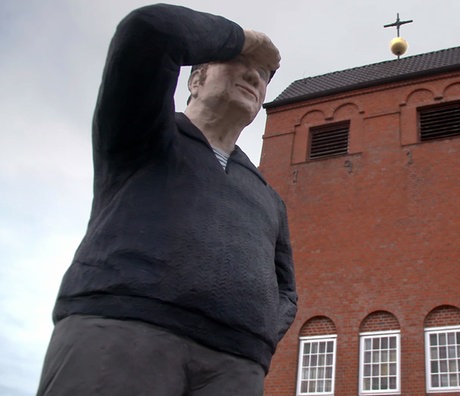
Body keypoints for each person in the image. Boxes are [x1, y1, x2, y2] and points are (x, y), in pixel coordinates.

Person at [36, 4, 297, 395]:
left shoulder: (267, 197)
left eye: (262, 76)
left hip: (236, 365)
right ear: (195, 81)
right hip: (123, 329)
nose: (253, 77)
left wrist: (255, 334)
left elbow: (287, 291)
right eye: (238, 63)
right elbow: (149, 30)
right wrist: (244, 39)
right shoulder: (145, 130)